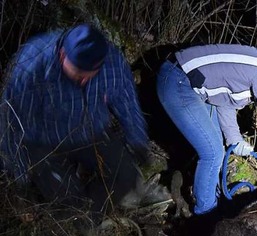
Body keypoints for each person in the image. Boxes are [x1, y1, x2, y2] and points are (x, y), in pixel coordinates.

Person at [0, 23, 164, 220]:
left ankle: (90, 221)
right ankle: (72, 217)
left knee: (126, 176)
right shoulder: (34, 61)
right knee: (64, 195)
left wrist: (137, 140)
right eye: (79, 73)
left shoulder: (110, 60)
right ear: (62, 56)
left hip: (90, 131)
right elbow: (11, 117)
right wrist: (18, 175)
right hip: (42, 140)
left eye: (91, 74)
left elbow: (126, 101)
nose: (85, 80)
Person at [156, 44, 257, 215]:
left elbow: (224, 101)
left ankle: (210, 200)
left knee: (216, 150)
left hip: (193, 86)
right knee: (212, 153)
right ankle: (205, 216)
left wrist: (234, 138)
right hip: (178, 80)